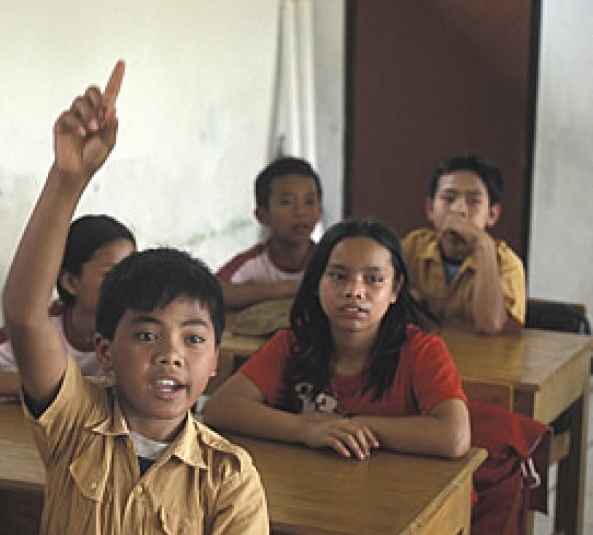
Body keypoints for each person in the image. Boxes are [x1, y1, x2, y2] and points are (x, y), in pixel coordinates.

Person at [1, 60, 278, 535]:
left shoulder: (228, 475)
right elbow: (26, 314)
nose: (170, 352)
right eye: (147, 333)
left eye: (193, 338)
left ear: (215, 363)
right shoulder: (75, 425)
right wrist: (68, 179)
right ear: (104, 351)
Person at [203, 218, 470, 461]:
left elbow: (454, 437)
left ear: (395, 289)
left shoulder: (422, 350)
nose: (354, 291)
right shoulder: (295, 341)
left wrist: (344, 424)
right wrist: (306, 428)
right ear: (317, 282)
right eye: (338, 276)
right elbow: (221, 407)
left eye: (373, 279)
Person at [0, 214, 135, 400]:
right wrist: (33, 387)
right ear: (71, 282)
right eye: (112, 274)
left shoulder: (140, 329)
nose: (127, 284)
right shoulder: (41, 328)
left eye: (133, 272)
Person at [402, 154, 525, 334]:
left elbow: (490, 326)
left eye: (473, 201)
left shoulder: (507, 264)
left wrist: (484, 244)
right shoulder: (411, 247)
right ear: (430, 209)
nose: (459, 210)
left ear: (492, 215)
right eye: (449, 199)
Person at [216, 157, 323, 310]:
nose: (300, 212)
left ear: (320, 212)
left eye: (309, 202)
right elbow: (215, 292)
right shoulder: (253, 262)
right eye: (286, 202)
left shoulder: (328, 260)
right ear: (262, 215)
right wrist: (291, 288)